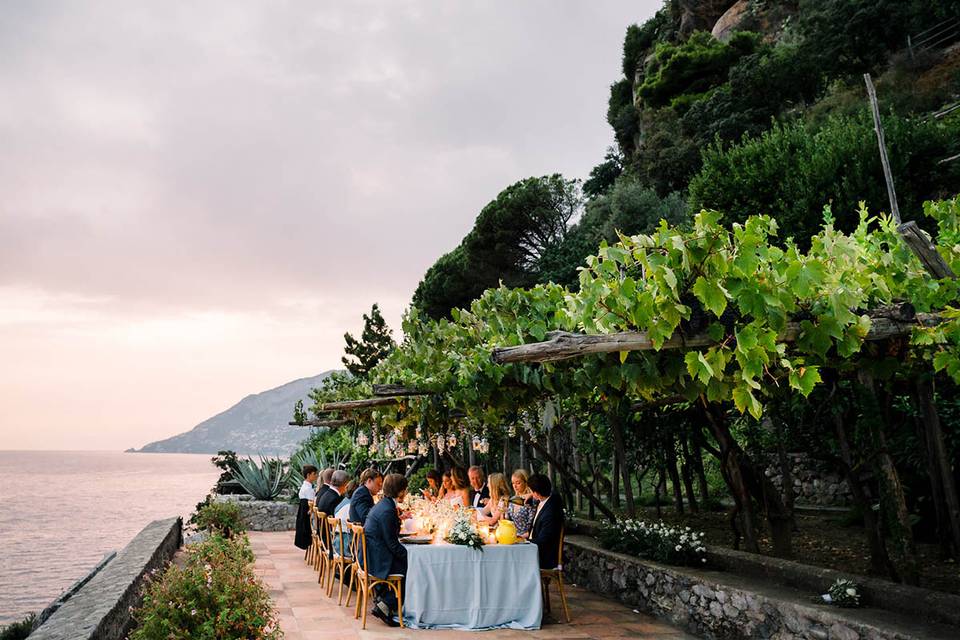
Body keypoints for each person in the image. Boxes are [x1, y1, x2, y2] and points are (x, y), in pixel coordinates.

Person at [363, 473, 409, 627]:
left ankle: (386, 601)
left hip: (372, 553)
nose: (406, 493)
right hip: (377, 559)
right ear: (401, 491)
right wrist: (409, 555)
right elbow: (392, 544)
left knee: (408, 561)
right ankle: (386, 604)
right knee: (412, 566)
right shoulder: (387, 510)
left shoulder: (385, 505)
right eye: (405, 490)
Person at [527, 473, 564, 570]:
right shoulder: (549, 498)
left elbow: (543, 541)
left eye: (531, 491)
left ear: (537, 493)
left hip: (544, 556)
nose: (530, 493)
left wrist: (524, 542)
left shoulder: (550, 512)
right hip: (536, 548)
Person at [294, 465, 318, 551]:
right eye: (314, 474)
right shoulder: (308, 489)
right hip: (307, 519)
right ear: (308, 475)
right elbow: (311, 505)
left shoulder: (305, 487)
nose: (316, 476)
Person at [509, 469, 537, 536]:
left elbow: (532, 525)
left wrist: (531, 494)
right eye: (513, 483)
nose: (515, 486)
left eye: (518, 483)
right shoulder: (512, 499)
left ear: (526, 482)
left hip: (527, 537)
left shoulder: (531, 500)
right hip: (512, 535)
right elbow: (507, 521)